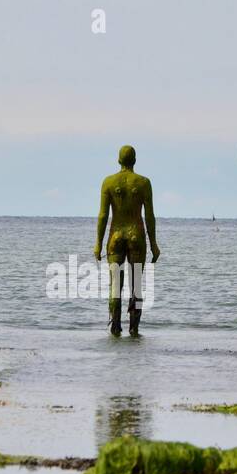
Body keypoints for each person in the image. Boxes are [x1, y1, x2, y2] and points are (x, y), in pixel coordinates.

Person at [93, 144, 160, 336]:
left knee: (115, 285)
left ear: (119, 160)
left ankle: (115, 329)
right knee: (136, 285)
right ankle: (134, 329)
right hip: (136, 236)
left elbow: (103, 215)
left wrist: (98, 243)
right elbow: (149, 216)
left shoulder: (108, 182)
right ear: (135, 160)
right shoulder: (144, 183)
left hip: (115, 237)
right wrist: (154, 244)